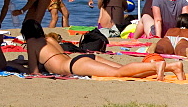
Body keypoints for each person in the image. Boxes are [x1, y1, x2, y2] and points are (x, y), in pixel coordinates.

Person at [21, 19, 184, 80]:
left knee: (118, 74)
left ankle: (156, 66)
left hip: (74, 66)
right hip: (82, 58)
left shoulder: (32, 43)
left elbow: (34, 72)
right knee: (124, 70)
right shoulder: (49, 39)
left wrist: (18, 66)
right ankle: (172, 66)